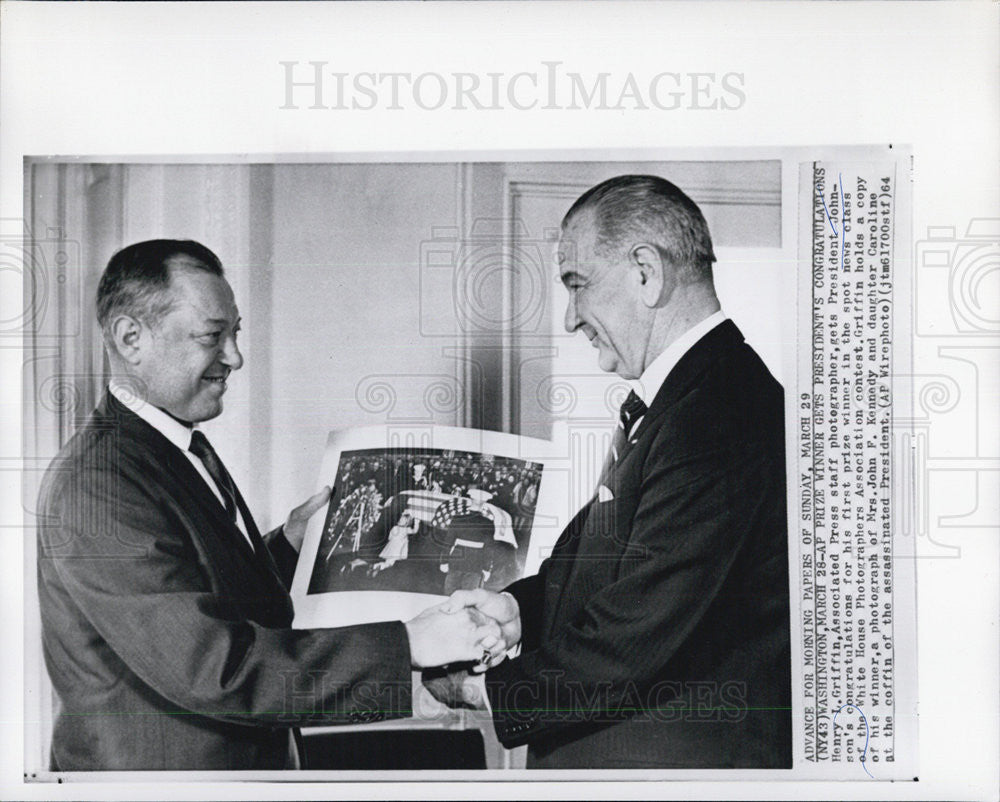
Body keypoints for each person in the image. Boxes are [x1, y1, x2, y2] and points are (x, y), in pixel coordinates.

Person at [36, 239, 502, 771]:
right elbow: (216, 667)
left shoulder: (167, 444)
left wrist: (287, 547)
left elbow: (195, 587)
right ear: (129, 338)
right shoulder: (99, 482)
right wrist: (410, 644)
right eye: (213, 336)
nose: (235, 357)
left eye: (235, 333)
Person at [426, 176, 792, 769]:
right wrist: (516, 611)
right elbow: (594, 569)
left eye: (578, 285)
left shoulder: (719, 409)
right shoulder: (684, 399)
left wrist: (480, 691)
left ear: (645, 271)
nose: (571, 317)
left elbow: (637, 626)